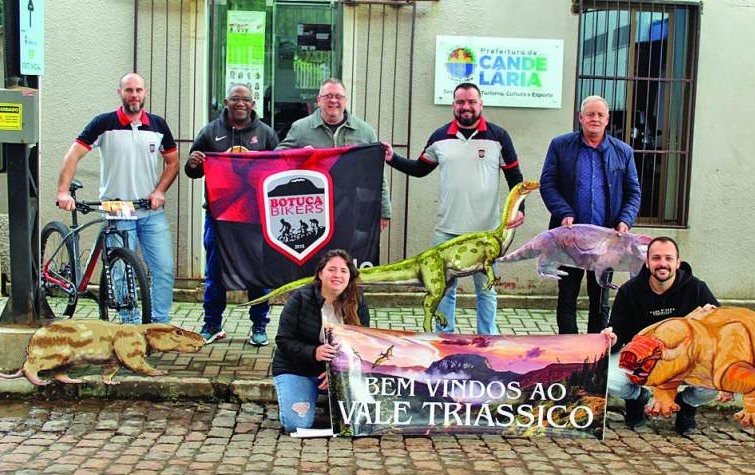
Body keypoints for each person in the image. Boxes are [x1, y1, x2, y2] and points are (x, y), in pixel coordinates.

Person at [383, 82, 524, 335]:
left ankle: (487, 340)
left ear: (481, 104)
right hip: (447, 231)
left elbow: (516, 179)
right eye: (460, 102)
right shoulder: (439, 137)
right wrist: (392, 158)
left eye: (471, 102)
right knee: (445, 292)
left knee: (487, 291)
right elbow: (419, 169)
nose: (466, 107)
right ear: (454, 105)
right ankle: (444, 340)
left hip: (487, 234)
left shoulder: (499, 137)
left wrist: (521, 210)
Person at [57, 72, 178, 323]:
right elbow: (73, 155)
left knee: (164, 269)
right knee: (122, 270)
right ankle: (129, 324)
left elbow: (173, 163)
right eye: (129, 90)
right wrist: (62, 191)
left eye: (139, 90)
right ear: (120, 93)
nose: (134, 95)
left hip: (150, 210)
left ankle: (159, 324)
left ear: (145, 93)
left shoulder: (158, 125)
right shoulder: (104, 123)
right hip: (117, 209)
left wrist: (160, 191)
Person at [185, 84, 280, 345]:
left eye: (246, 99)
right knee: (214, 272)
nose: (241, 103)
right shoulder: (210, 132)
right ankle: (212, 324)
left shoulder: (266, 134)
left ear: (253, 104)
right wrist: (193, 163)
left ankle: (259, 325)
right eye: (236, 99)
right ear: (226, 102)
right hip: (219, 216)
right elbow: (193, 171)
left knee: (258, 273)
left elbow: (279, 170)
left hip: (254, 217)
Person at [540, 94, 641, 335]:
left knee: (600, 298)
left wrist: (625, 220)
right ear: (580, 118)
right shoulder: (560, 145)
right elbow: (548, 183)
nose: (595, 119)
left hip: (606, 241)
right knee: (567, 295)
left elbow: (633, 191)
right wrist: (563, 212)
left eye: (600, 115)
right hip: (568, 238)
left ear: (607, 120)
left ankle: (596, 348)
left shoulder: (623, 151)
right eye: (590, 114)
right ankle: (567, 349)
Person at [602, 237, 720, 434]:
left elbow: (721, 330)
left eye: (668, 258)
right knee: (607, 377)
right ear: (647, 262)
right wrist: (611, 338)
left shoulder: (696, 288)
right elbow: (617, 330)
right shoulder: (629, 291)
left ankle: (686, 404)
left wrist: (714, 320)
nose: (662, 263)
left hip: (685, 361)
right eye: (656, 258)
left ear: (677, 263)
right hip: (641, 360)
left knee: (718, 378)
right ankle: (637, 398)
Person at [272, 249, 370, 432]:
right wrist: (313, 352)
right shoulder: (300, 298)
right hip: (297, 369)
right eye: (332, 269)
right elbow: (283, 340)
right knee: (297, 425)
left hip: (338, 371)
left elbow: (362, 344)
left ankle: (331, 401)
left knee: (360, 420)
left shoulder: (357, 300)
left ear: (350, 276)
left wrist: (337, 371)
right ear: (320, 273)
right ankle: (303, 394)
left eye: (343, 271)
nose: (337, 275)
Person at [276, 78, 392, 231]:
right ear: (319, 100)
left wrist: (384, 211)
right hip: (313, 209)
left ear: (345, 100)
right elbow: (277, 158)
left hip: (353, 209)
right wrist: (298, 155)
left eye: (338, 96)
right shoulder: (301, 128)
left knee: (351, 254)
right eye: (328, 96)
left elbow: (377, 174)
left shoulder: (365, 131)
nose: (333, 100)